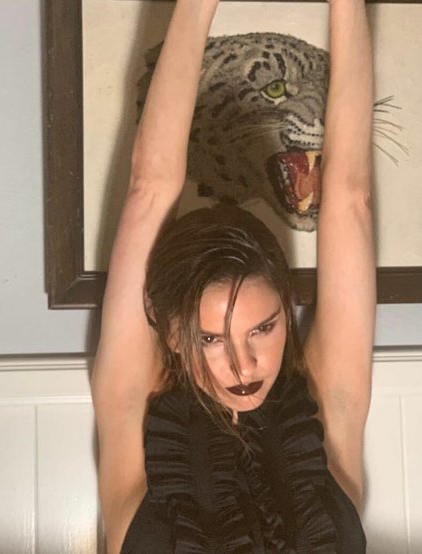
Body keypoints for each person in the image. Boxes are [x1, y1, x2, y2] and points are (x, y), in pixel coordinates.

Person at [90, 0, 376, 552]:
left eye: (262, 329)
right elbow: (148, 190)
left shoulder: (324, 404)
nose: (243, 365)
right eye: (210, 338)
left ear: (285, 315)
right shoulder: (134, 408)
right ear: (174, 334)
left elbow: (350, 199)